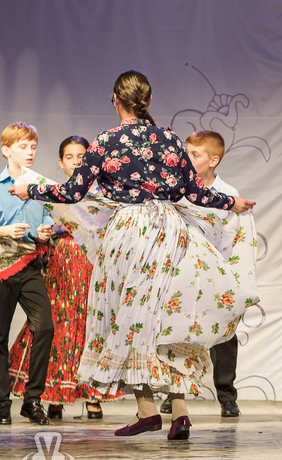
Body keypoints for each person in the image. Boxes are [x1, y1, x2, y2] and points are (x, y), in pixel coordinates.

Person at [9, 71, 257, 440]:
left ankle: (147, 409)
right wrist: (231, 202)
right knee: (165, 317)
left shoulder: (108, 140)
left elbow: (74, 192)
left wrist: (31, 189)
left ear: (116, 100)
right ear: (149, 100)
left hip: (129, 232)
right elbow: (196, 194)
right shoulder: (169, 139)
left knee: (129, 318)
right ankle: (180, 413)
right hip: (171, 231)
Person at [8, 136, 118, 421]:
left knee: (91, 324)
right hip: (61, 265)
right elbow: (38, 228)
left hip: (93, 264)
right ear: (61, 162)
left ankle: (92, 394)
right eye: (70, 157)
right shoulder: (51, 193)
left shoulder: (101, 195)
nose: (76, 162)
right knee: (60, 325)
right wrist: (46, 233)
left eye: (81, 156)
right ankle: (55, 393)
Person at [158, 130, 242, 418]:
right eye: (186, 153)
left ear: (213, 160)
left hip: (216, 271)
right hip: (181, 270)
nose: (187, 158)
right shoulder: (177, 190)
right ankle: (174, 393)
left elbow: (232, 235)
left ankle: (227, 396)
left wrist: (224, 270)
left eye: (195, 155)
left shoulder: (228, 194)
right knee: (176, 331)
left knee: (223, 335)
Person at [0, 122, 55, 426]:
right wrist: (4, 230)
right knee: (0, 335)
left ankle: (32, 399)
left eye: (33, 146)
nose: (30, 151)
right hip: (2, 266)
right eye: (23, 146)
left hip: (30, 264)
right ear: (6, 150)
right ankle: (1, 402)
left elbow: (44, 223)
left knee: (44, 327)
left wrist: (44, 232)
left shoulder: (40, 187)